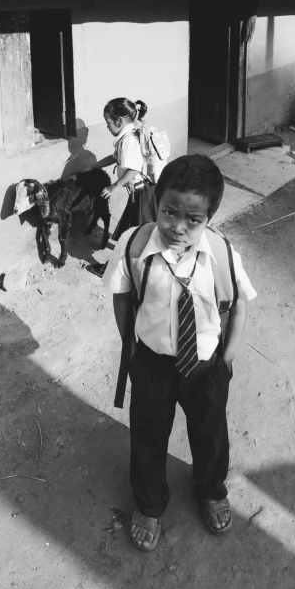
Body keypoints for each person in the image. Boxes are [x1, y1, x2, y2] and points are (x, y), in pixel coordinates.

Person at [102, 154, 256, 551]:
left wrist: (227, 359)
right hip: (152, 362)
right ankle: (150, 503)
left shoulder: (221, 252)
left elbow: (238, 303)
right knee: (149, 435)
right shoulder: (134, 244)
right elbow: (121, 296)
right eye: (170, 212)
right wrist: (131, 346)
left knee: (210, 431)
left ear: (209, 218)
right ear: (155, 200)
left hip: (205, 363)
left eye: (194, 219)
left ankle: (211, 488)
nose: (178, 227)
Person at [90, 98, 157, 277]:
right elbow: (115, 157)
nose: (107, 126)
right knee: (137, 233)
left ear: (119, 121)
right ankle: (143, 266)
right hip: (142, 192)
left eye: (108, 122)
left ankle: (114, 269)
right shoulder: (127, 136)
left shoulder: (128, 140)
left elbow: (134, 168)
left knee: (132, 235)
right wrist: (95, 166)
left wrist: (114, 186)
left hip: (143, 194)